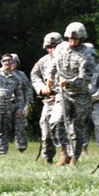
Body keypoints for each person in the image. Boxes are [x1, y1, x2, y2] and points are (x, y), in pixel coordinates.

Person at [50, 22, 96, 166]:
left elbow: (85, 79)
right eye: (69, 38)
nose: (72, 41)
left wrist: (69, 82)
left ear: (82, 38)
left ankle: (74, 157)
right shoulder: (60, 48)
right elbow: (53, 65)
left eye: (75, 38)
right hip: (63, 93)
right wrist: (49, 78)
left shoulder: (88, 55)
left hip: (80, 95)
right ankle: (64, 152)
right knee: (56, 122)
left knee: (77, 127)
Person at [0, 53, 29, 155]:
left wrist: (20, 109)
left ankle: (2, 152)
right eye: (5, 61)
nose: (7, 63)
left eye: (9, 61)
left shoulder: (16, 77)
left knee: (6, 129)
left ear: (13, 62)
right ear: (1, 62)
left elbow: (19, 94)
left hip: (8, 105)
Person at [30, 32, 62, 165]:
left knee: (66, 129)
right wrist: (41, 87)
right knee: (46, 129)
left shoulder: (69, 59)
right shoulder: (43, 61)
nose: (52, 50)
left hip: (66, 98)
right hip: (49, 101)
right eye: (49, 47)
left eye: (55, 46)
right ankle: (48, 158)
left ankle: (69, 156)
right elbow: (34, 76)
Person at [9, 54, 31, 153]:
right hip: (4, 104)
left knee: (21, 127)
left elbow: (28, 89)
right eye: (11, 62)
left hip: (20, 104)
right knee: (2, 127)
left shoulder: (21, 75)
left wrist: (28, 103)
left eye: (15, 62)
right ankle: (0, 149)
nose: (13, 64)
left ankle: (21, 148)